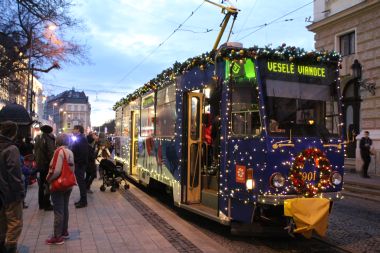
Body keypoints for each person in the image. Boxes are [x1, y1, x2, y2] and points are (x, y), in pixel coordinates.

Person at [46, 134, 74, 245]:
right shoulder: (70, 152)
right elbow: (72, 169)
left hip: (58, 184)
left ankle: (57, 236)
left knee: (58, 210)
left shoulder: (59, 152)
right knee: (65, 208)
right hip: (68, 184)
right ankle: (64, 231)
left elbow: (55, 170)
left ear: (57, 141)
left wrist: (48, 179)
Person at [0, 121, 24, 253]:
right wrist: (20, 192)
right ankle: (11, 248)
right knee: (14, 221)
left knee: (1, 220)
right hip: (10, 192)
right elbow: (14, 173)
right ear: (14, 133)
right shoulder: (11, 149)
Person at [34, 125, 55, 211]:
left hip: (39, 164)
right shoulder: (48, 139)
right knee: (47, 184)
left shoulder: (38, 138)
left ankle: (41, 204)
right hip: (46, 165)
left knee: (41, 185)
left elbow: (35, 151)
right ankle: (47, 204)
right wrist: (53, 164)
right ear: (49, 132)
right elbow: (51, 152)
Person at [70, 125, 88, 208]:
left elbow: (83, 153)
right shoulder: (79, 138)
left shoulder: (81, 139)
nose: (73, 130)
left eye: (74, 129)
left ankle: (84, 201)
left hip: (80, 164)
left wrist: (77, 162)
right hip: (79, 163)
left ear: (78, 130)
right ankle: (82, 200)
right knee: (81, 182)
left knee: (81, 183)